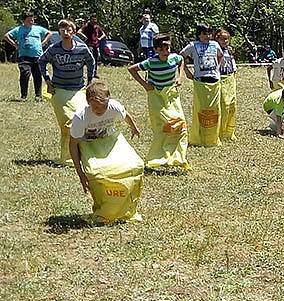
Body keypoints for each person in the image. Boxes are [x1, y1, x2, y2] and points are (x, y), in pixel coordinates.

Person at [68, 80, 144, 223]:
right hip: (89, 145)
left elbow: (125, 115)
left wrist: (134, 127)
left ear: (109, 99)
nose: (101, 110)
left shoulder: (113, 106)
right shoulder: (81, 117)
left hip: (110, 139)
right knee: (95, 173)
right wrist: (80, 173)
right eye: (96, 108)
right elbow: (73, 145)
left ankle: (128, 208)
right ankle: (103, 210)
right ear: (88, 102)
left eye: (104, 106)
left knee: (136, 165)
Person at [128, 33, 189, 170]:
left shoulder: (174, 58)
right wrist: (145, 85)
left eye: (167, 48)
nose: (165, 52)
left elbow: (181, 61)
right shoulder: (151, 62)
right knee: (163, 127)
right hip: (156, 96)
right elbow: (132, 69)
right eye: (161, 49)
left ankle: (177, 158)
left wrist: (180, 77)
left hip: (171, 95)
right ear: (156, 50)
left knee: (180, 124)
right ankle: (157, 158)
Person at [39, 19, 95, 166]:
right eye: (62, 30)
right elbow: (41, 61)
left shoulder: (82, 49)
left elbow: (91, 61)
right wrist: (47, 81)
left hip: (78, 90)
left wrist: (90, 81)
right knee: (68, 124)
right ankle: (67, 158)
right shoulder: (54, 49)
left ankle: (82, 154)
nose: (65, 33)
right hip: (59, 90)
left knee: (81, 121)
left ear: (74, 32)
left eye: (68, 30)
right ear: (59, 32)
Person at [180, 23, 224, 147]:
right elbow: (180, 57)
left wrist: (217, 69)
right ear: (199, 34)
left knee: (214, 110)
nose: (207, 36)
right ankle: (198, 136)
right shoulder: (193, 45)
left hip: (214, 79)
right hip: (200, 80)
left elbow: (220, 56)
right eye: (205, 33)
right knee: (201, 109)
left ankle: (213, 136)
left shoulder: (215, 45)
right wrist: (187, 72)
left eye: (209, 33)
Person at [4, 11, 52, 101]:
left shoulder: (38, 29)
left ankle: (38, 96)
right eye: (29, 20)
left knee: (37, 75)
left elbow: (49, 33)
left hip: (37, 56)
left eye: (32, 19)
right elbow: (6, 36)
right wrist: (15, 45)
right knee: (25, 73)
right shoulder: (18, 29)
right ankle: (23, 96)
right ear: (24, 20)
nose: (31, 21)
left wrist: (43, 42)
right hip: (24, 56)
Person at [216, 28, 238, 141]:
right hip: (220, 78)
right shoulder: (214, 49)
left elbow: (232, 62)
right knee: (224, 105)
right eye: (223, 39)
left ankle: (230, 132)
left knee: (232, 105)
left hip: (230, 78)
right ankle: (220, 131)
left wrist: (234, 71)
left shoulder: (229, 50)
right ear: (217, 38)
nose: (225, 41)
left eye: (227, 39)